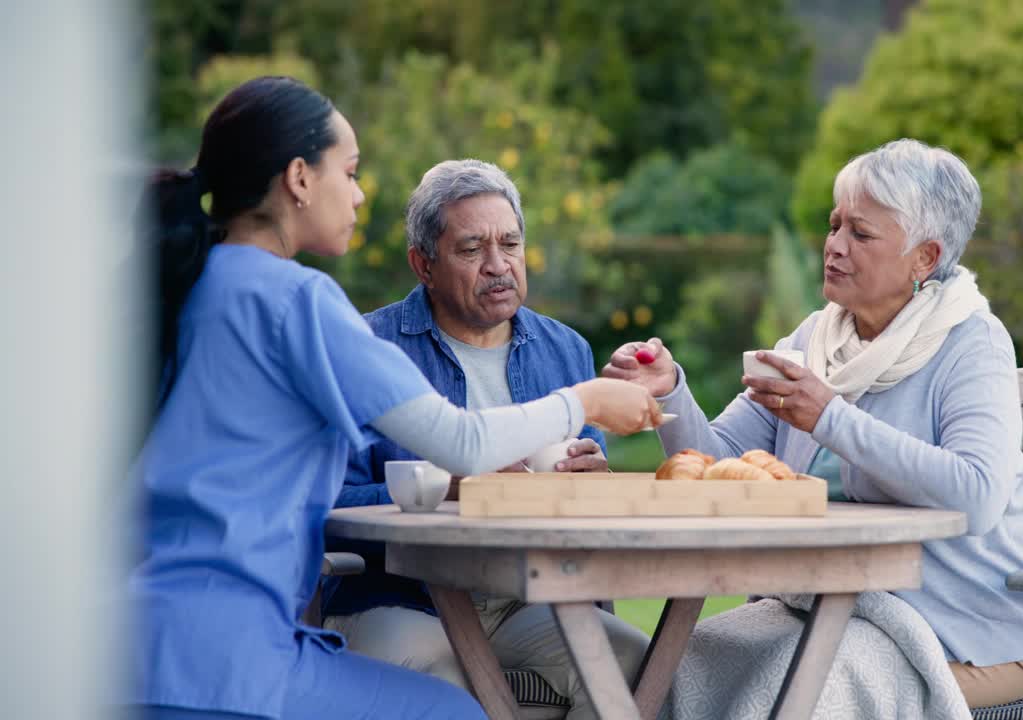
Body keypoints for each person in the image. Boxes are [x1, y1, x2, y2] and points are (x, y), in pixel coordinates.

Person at [126, 76, 660, 720]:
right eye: (348, 173)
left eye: (510, 244)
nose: (356, 195)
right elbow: (462, 443)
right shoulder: (300, 302)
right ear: (299, 178)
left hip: (132, 639)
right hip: (226, 659)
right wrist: (588, 399)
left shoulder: (184, 286)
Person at [604, 139, 1023, 709]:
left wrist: (830, 418)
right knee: (684, 665)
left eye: (861, 234)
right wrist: (669, 393)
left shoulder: (971, 343)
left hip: (969, 630)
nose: (834, 246)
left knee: (804, 689)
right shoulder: (816, 340)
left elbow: (979, 497)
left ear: (924, 257)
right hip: (824, 605)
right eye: (834, 225)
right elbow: (722, 465)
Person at [323, 159, 651, 720]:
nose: (499, 266)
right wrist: (446, 488)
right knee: (444, 688)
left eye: (511, 245)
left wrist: (593, 482)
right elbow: (326, 503)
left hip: (527, 597)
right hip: (404, 597)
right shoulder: (369, 347)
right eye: (472, 250)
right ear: (422, 264)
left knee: (634, 663)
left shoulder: (565, 349)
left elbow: (584, 499)